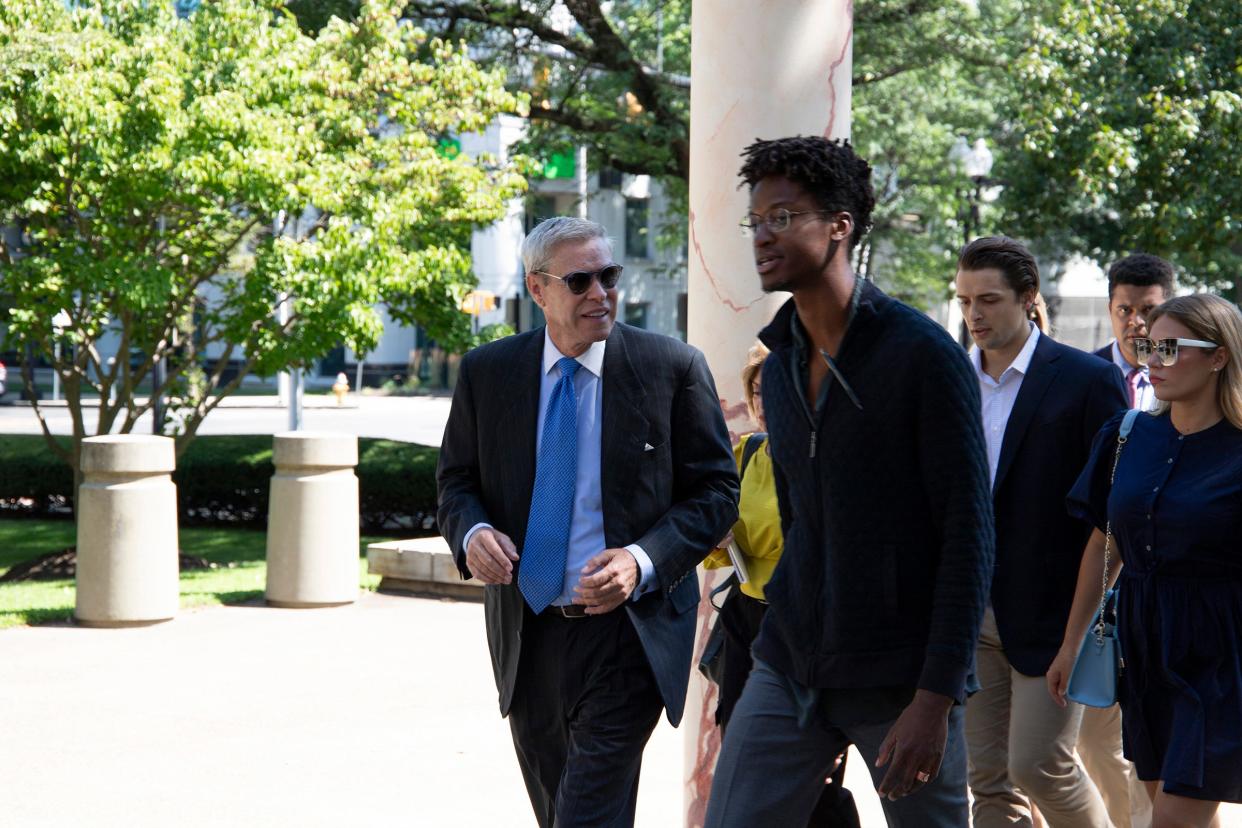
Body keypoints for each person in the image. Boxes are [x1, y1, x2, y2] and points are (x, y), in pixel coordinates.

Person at [704, 136, 995, 828]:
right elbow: (804, 522)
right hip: (790, 661)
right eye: (756, 220)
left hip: (901, 677)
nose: (763, 235)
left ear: (840, 224)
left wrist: (936, 696)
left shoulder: (923, 357)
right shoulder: (777, 362)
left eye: (783, 215)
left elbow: (968, 536)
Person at [436, 216, 739, 827]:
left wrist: (640, 559)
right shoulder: (488, 372)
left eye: (608, 275)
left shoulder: (670, 368)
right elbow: (456, 482)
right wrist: (472, 534)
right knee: (558, 814)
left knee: (585, 817)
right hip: (529, 634)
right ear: (538, 289)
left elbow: (715, 492)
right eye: (580, 281)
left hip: (628, 633)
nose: (600, 292)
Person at [1050, 293, 1242, 827]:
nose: (1152, 360)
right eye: (1149, 346)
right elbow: (1102, 546)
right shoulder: (1126, 434)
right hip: (1142, 643)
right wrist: (1071, 644)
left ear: (1219, 356)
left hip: (1219, 652)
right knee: (1163, 804)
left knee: (1174, 818)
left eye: (1171, 348)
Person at [955, 236, 1128, 828]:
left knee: (1039, 765)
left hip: (1056, 616)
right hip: (971, 611)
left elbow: (1112, 517)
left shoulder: (1086, 379)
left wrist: (1079, 633)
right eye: (964, 301)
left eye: (989, 300)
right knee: (989, 782)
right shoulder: (952, 380)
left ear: (1028, 299)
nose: (974, 314)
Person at [702, 341, 860, 828]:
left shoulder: (829, 460)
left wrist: (754, 537)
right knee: (740, 755)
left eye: (777, 387)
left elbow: (814, 545)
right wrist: (718, 535)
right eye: (757, 388)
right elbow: (712, 553)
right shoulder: (746, 451)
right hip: (747, 622)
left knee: (807, 769)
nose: (765, 400)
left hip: (806, 626)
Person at [1094, 254, 1176, 411]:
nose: (1137, 321)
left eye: (1149, 310)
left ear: (1170, 310)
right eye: (1125, 310)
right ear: (1110, 309)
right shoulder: (1084, 374)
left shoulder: (1185, 377)